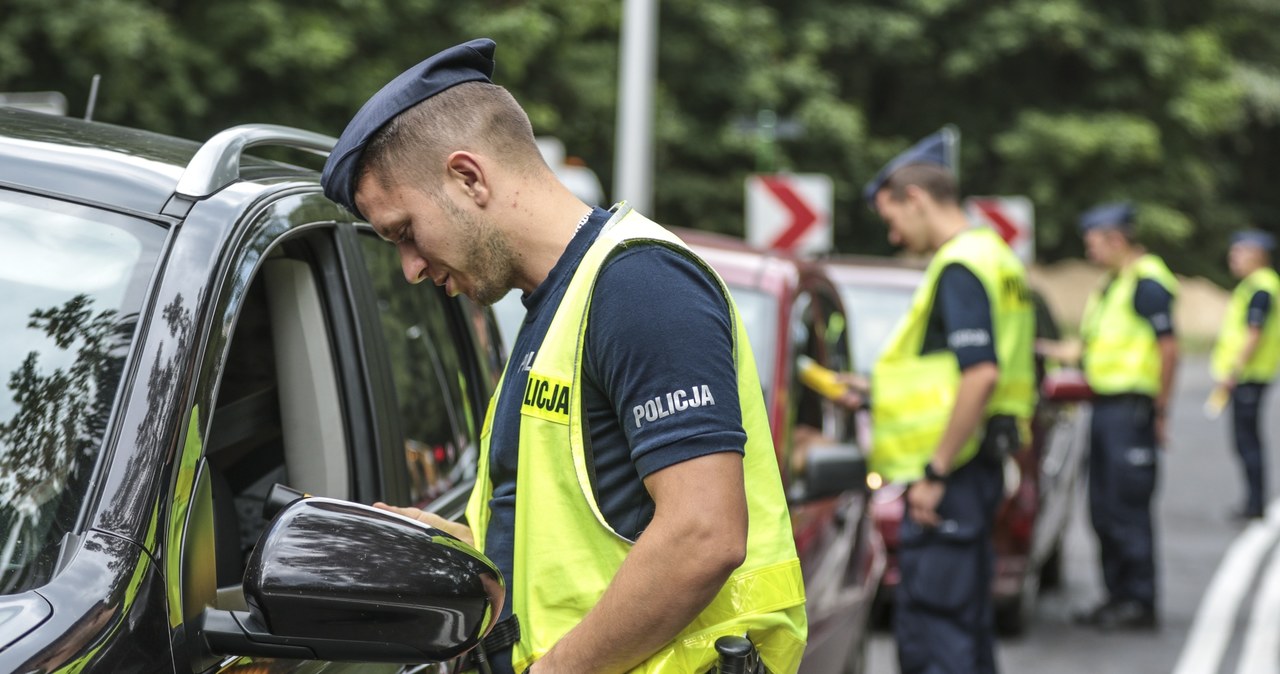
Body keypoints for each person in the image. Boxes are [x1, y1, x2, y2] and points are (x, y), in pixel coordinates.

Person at [319, 39, 807, 674]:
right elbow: (575, 546)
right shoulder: (559, 304)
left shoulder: (641, 288)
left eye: (405, 232)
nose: (410, 267)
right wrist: (450, 543)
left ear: (468, 178)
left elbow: (704, 535)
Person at [862, 130, 1036, 674]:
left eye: (892, 218)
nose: (893, 235)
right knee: (966, 627)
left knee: (936, 635)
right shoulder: (997, 256)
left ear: (915, 199)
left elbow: (979, 374)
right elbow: (947, 373)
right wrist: (868, 391)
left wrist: (935, 471)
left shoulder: (959, 264)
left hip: (953, 475)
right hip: (979, 465)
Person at [1073, 202, 1178, 630]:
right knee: (1102, 507)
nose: (1090, 253)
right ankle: (1116, 595)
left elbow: (1168, 350)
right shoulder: (1115, 284)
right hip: (1105, 408)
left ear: (1117, 240)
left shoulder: (1147, 283)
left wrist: (1161, 412)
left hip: (1130, 411)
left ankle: (1139, 600)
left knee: (1126, 507)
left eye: (1094, 244)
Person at [1210, 229, 1280, 520]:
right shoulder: (1255, 285)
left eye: (1240, 252)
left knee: (1247, 441)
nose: (1233, 257)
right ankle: (1254, 501)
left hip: (1249, 376)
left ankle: (1255, 504)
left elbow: (1254, 333)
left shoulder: (1261, 287)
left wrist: (1234, 371)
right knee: (1247, 440)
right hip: (1250, 375)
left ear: (1259, 255)